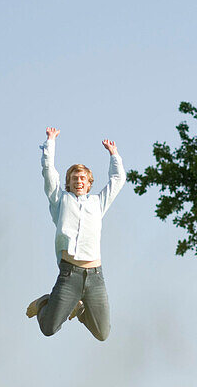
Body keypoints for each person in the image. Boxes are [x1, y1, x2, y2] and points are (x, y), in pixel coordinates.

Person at [26, 127, 126, 341]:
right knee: (49, 329)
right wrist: (50, 142)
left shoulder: (98, 203)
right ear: (68, 183)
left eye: (82, 178)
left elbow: (118, 180)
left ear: (89, 183)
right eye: (73, 178)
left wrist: (114, 154)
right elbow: (49, 172)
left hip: (95, 277)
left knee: (102, 333)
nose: (78, 181)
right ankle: (45, 302)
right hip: (69, 274)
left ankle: (79, 310)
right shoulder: (60, 201)